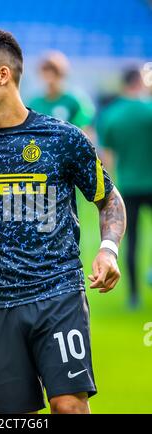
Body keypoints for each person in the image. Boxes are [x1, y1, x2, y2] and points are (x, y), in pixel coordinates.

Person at [0, 28, 126, 414]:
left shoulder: (63, 138)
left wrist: (108, 250)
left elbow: (108, 199)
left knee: (68, 406)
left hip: (57, 293)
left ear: (3, 76)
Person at [97, 67, 152, 308]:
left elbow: (106, 157)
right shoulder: (149, 110)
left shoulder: (111, 115)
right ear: (139, 81)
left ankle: (133, 295)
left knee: (131, 241)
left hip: (127, 184)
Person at [28, 51, 95, 132]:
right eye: (45, 71)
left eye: (54, 72)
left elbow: (86, 129)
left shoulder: (75, 100)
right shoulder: (35, 102)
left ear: (62, 74)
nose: (49, 77)